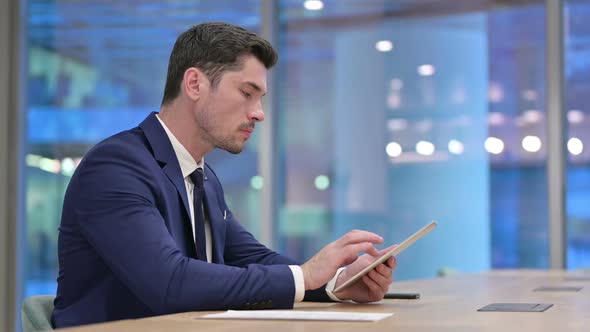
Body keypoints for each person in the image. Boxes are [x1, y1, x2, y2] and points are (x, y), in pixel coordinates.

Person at [52, 22, 397, 328]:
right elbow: (169, 282)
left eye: (260, 98)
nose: (259, 113)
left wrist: (338, 282)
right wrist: (305, 276)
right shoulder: (115, 167)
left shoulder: (203, 177)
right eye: (247, 93)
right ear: (194, 83)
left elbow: (251, 257)